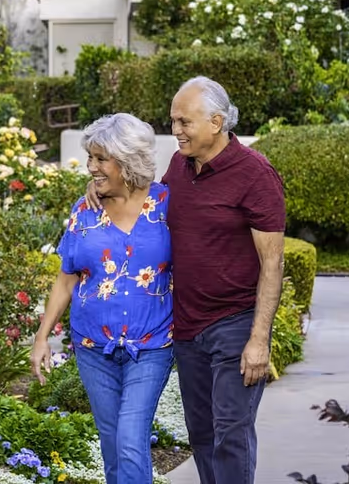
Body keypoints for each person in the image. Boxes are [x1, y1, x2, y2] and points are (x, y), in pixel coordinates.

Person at [86, 76, 286, 484]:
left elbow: (273, 263)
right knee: (203, 436)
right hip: (188, 327)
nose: (175, 131)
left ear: (216, 122)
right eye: (173, 121)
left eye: (183, 122)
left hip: (235, 323)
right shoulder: (180, 165)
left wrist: (259, 338)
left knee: (231, 431)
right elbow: (144, 203)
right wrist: (99, 186)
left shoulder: (256, 175)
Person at [31, 113, 174, 484]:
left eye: (100, 159)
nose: (91, 167)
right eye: (90, 158)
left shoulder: (166, 205)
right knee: (113, 446)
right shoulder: (85, 211)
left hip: (153, 343)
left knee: (130, 439)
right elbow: (65, 279)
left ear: (126, 161)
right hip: (94, 346)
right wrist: (42, 336)